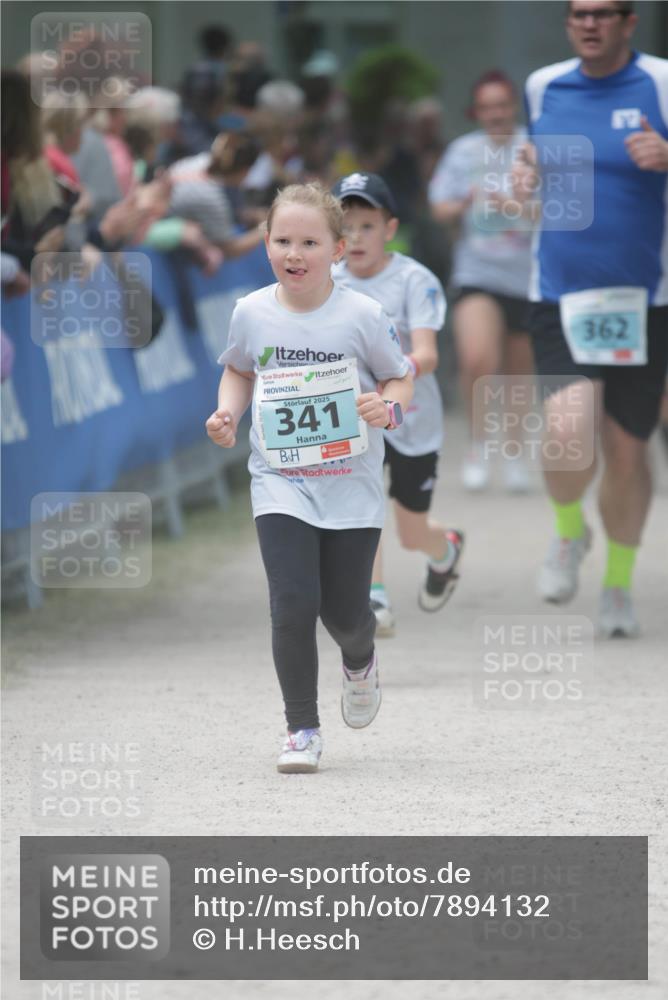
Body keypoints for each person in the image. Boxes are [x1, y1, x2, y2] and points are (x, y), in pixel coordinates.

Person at [206, 182, 413, 773]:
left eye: (309, 242)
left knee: (344, 614)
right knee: (292, 602)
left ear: (339, 250)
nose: (294, 253)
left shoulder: (363, 315)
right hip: (280, 479)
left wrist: (386, 407)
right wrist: (228, 412)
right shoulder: (251, 311)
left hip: (351, 484)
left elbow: (399, 379)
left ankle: (360, 657)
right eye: (281, 240)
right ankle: (301, 729)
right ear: (266, 244)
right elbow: (240, 370)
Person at [517, 0, 668, 636]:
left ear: (629, 23)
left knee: (627, 452)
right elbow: (528, 165)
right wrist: (522, 178)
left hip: (646, 299)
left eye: (605, 14)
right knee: (566, 430)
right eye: (579, 13)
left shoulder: (661, 82)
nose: (590, 23)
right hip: (558, 291)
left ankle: (617, 585)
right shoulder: (543, 86)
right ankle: (570, 534)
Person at [332, 171, 464, 637]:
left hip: (412, 421)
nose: (356, 237)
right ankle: (377, 600)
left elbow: (426, 354)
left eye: (367, 226)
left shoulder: (414, 279)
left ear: (390, 229)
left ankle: (444, 549)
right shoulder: (327, 282)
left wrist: (388, 372)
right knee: (361, 506)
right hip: (353, 421)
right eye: (345, 226)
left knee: (411, 532)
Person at [429, 71, 535, 493]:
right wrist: (463, 203)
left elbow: (557, 211)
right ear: (476, 111)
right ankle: (478, 445)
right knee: (477, 360)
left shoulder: (534, 148)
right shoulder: (462, 151)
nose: (495, 114)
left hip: (527, 278)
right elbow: (439, 208)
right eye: (486, 107)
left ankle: (514, 452)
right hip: (477, 273)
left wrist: (518, 205)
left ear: (513, 106)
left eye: (502, 105)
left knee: (517, 374)